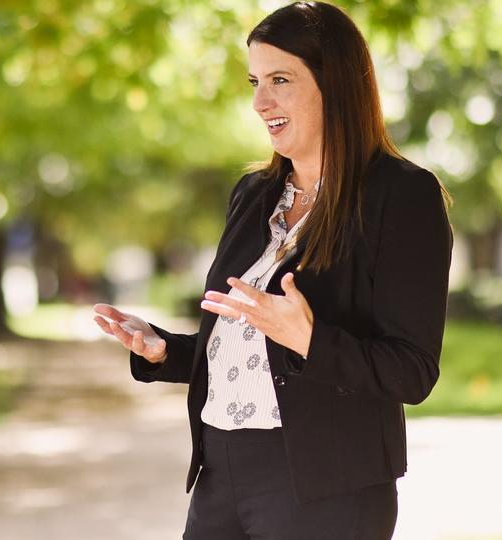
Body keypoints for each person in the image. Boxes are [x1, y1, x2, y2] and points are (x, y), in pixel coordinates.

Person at [94, 2, 452, 538]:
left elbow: (412, 371)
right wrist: (166, 350)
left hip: (326, 484)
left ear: (337, 85)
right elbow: (251, 346)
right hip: (220, 473)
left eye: (280, 80)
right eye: (255, 81)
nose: (261, 101)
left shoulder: (401, 195)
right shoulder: (253, 195)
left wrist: (310, 339)